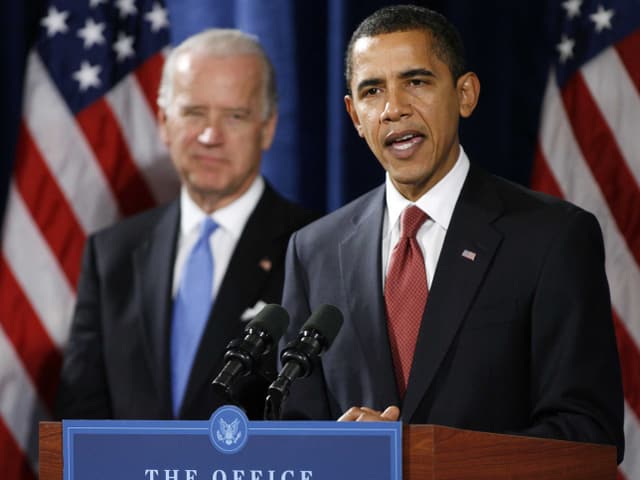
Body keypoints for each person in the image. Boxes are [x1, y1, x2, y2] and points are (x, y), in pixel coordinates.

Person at [279, 5, 625, 462]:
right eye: (372, 91)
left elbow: (589, 434)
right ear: (355, 116)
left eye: (416, 82)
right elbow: (295, 429)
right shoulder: (313, 250)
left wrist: (422, 454)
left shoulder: (553, 238)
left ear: (465, 94)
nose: (394, 108)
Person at [55, 29, 316, 421]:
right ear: (163, 121)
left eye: (235, 116)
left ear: (268, 128)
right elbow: (79, 418)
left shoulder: (313, 248)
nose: (211, 136)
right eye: (194, 112)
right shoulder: (111, 253)